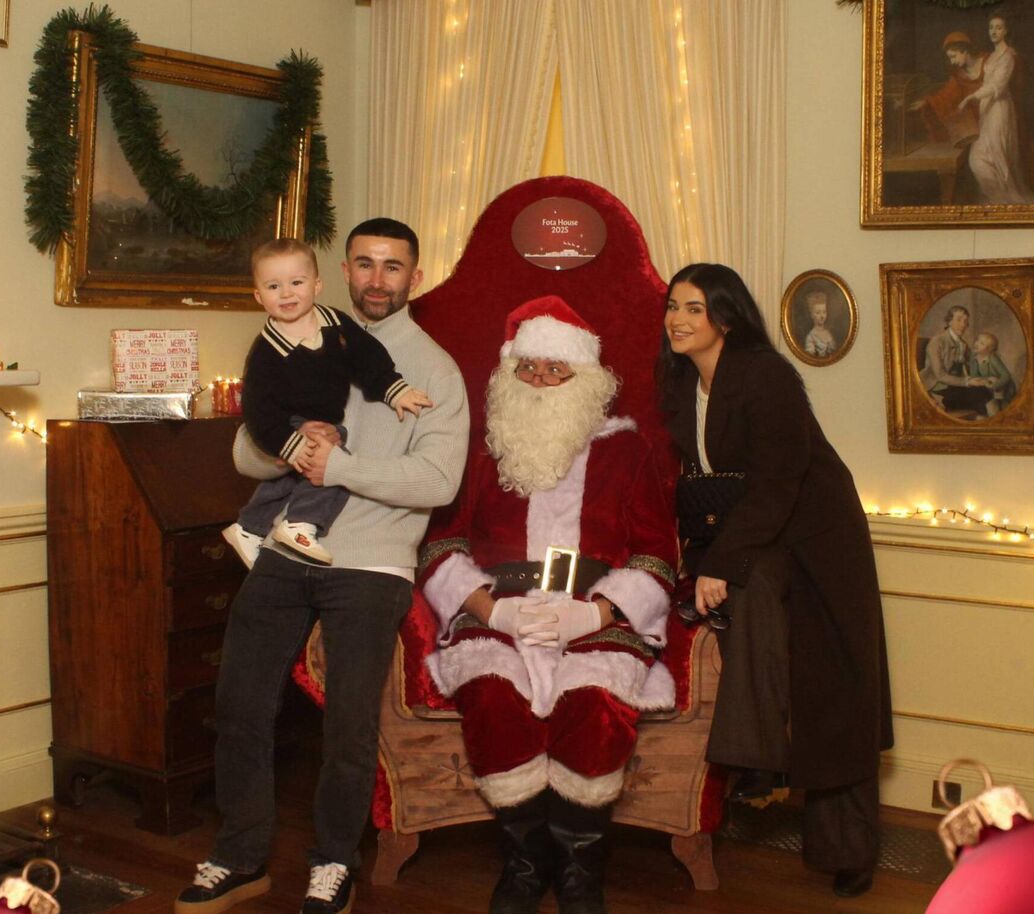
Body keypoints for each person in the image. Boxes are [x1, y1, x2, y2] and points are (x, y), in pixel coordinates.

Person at [175, 219, 470, 914]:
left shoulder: (433, 370)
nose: (376, 279)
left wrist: (336, 463)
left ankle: (333, 861)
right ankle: (240, 855)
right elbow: (247, 452)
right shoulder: (304, 336)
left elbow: (437, 482)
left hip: (371, 562)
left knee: (348, 726)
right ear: (342, 270)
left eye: (392, 267)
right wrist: (289, 448)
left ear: (414, 278)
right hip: (287, 546)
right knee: (240, 704)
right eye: (364, 264)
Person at [419, 295, 677, 914]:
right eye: (527, 368)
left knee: (594, 705)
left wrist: (595, 613)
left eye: (554, 369)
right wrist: (491, 610)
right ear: (509, 373)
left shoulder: (626, 453)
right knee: (492, 695)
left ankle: (581, 868)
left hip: (594, 609)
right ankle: (527, 864)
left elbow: (656, 555)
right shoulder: (482, 451)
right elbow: (441, 544)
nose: (539, 381)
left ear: (584, 377)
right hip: (500, 606)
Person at [658, 263, 892, 899]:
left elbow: (777, 485)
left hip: (818, 542)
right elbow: (706, 484)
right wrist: (706, 558)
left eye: (694, 308)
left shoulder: (766, 375)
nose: (678, 319)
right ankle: (755, 763)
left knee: (836, 692)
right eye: (673, 306)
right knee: (752, 612)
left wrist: (717, 563)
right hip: (757, 540)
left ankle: (848, 850)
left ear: (726, 317)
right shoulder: (680, 381)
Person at [221, 238, 432, 567]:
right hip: (284, 423)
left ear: (317, 285)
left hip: (326, 420)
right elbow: (257, 411)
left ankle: (248, 528)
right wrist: (287, 443)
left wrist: (395, 389)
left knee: (292, 478)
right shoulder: (266, 351)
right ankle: (302, 523)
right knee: (332, 464)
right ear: (259, 296)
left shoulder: (334, 324)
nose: (287, 293)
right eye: (274, 286)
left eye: (297, 282)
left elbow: (368, 359)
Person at [958, 13, 1034, 205]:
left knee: (996, 154)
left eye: (998, 27)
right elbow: (981, 77)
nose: (994, 31)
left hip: (1000, 109)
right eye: (991, 28)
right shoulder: (991, 57)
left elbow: (998, 84)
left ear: (1006, 31)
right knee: (979, 156)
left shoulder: (1008, 55)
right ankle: (994, 196)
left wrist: (971, 97)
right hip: (986, 109)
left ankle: (1003, 199)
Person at [910, 31, 984, 147]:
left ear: (964, 51)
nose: (952, 62)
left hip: (994, 114)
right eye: (949, 58)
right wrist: (928, 102)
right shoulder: (959, 75)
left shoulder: (989, 62)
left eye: (953, 56)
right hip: (977, 123)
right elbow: (947, 95)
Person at [919, 305, 995, 416]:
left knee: (984, 391)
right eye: (959, 320)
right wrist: (968, 382)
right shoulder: (937, 342)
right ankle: (984, 424)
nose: (963, 325)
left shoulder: (963, 345)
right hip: (937, 387)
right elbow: (940, 375)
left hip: (955, 386)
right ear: (949, 321)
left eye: (965, 321)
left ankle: (984, 423)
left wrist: (983, 379)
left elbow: (970, 368)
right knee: (977, 394)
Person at [967, 331, 1017, 416]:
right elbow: (974, 376)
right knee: (989, 407)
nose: (977, 343)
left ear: (989, 349)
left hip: (1003, 388)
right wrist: (979, 381)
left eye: (982, 343)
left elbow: (1006, 376)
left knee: (1004, 410)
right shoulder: (974, 358)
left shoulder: (993, 358)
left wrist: (994, 385)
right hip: (987, 388)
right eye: (977, 340)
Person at [801, 291, 837, 358]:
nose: (822, 316)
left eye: (824, 312)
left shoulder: (828, 332)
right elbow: (810, 358)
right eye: (818, 313)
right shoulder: (811, 337)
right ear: (811, 315)